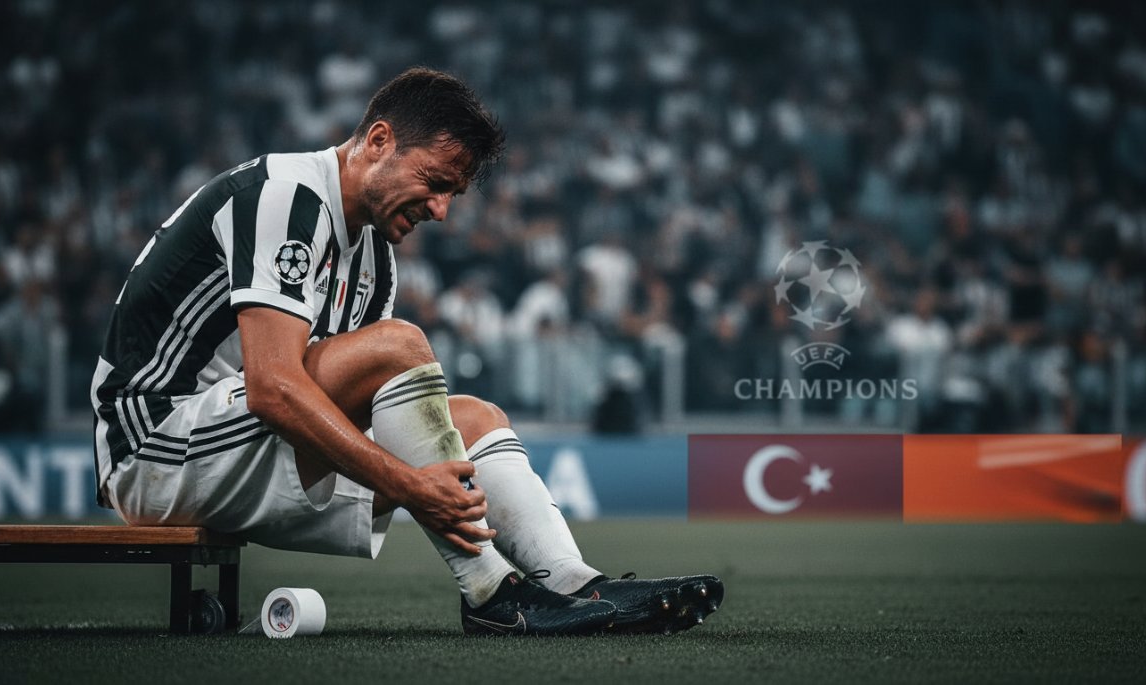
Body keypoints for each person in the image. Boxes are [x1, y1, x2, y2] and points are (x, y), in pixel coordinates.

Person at [90, 67, 722, 636]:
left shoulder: (376, 259)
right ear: (378, 141)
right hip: (151, 447)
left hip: (235, 445)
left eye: (454, 194)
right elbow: (273, 387)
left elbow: (357, 403)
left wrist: (423, 476)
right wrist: (412, 486)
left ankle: (573, 583)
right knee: (399, 345)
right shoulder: (286, 194)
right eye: (435, 182)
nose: (442, 210)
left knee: (476, 421)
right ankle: (489, 592)